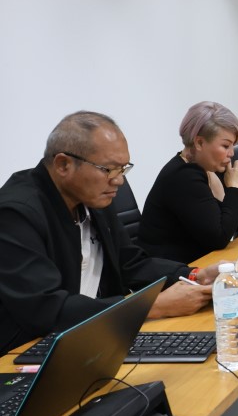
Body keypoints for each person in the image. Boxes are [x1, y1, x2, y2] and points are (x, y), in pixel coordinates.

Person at [0, 112, 219, 353]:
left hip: (94, 336)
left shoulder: (92, 199)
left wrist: (194, 275)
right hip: (28, 352)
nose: (119, 181)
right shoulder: (15, 214)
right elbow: (47, 310)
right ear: (63, 164)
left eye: (123, 169)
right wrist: (153, 306)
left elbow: (130, 264)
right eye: (109, 169)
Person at [139, 102, 238, 263]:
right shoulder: (183, 176)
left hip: (199, 263)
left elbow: (237, 217)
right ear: (199, 143)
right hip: (174, 271)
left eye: (233, 145)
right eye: (225, 146)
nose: (231, 153)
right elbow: (218, 237)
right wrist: (235, 189)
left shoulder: (205, 167)